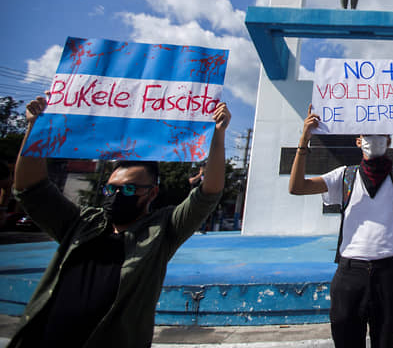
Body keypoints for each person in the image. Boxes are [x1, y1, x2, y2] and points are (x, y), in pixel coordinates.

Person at [8, 96, 231, 348]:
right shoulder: (81, 223)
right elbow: (31, 189)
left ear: (152, 193)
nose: (116, 196)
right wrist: (34, 127)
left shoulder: (162, 231)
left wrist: (217, 135)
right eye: (110, 189)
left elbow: (208, 194)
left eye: (128, 190)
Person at [289, 105, 393, 348]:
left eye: (381, 133)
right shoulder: (344, 175)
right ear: (358, 141)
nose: (374, 138)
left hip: (389, 276)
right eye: (368, 133)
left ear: (389, 140)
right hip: (349, 276)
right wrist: (304, 140)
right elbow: (297, 187)